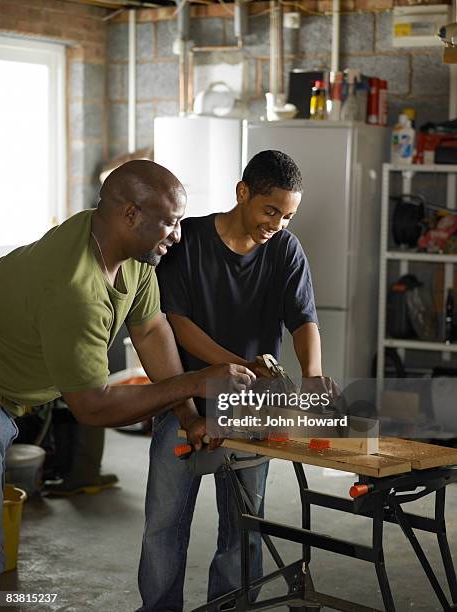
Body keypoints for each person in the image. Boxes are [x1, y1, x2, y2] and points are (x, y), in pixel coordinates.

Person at [0, 160, 255, 577]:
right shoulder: (75, 290)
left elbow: (151, 330)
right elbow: (93, 408)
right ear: (131, 214)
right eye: (170, 223)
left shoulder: (131, 253)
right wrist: (196, 380)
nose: (178, 235)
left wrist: (189, 416)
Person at [138, 150, 322, 611]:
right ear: (242, 193)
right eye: (270, 210)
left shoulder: (285, 248)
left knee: (244, 528)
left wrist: (314, 376)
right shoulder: (189, 240)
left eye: (288, 216)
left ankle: (231, 608)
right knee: (164, 525)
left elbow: (303, 320)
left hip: (252, 411)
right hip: (187, 403)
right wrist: (232, 367)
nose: (277, 224)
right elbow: (174, 322)